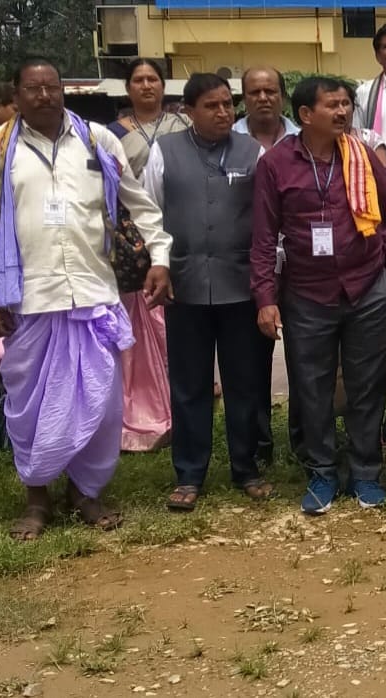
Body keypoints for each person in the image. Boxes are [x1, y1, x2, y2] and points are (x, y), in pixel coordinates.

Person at [0, 57, 172, 539]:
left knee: (100, 405)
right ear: (16, 95)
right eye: (33, 88)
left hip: (93, 294)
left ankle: (86, 492)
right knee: (30, 406)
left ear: (64, 90)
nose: (44, 95)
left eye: (52, 86)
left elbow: (140, 205)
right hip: (29, 300)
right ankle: (37, 497)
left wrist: (161, 257)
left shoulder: (97, 140)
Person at [252, 76, 386, 515]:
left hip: (367, 289)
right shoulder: (276, 164)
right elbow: (263, 237)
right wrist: (265, 297)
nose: (343, 112)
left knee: (366, 385)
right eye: (333, 105)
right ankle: (322, 472)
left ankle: (366, 473)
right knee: (312, 387)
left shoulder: (360, 155)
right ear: (306, 114)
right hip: (307, 294)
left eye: (346, 104)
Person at [141, 73, 274, 510]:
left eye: (227, 105)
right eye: (211, 106)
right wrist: (160, 264)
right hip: (185, 287)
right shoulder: (164, 152)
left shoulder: (253, 153)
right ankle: (189, 473)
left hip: (240, 287)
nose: (223, 113)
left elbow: (267, 219)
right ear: (188, 111)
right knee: (189, 384)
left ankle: (246, 467)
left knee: (245, 383)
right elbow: (149, 213)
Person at [109, 58, 185, 453]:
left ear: (163, 84)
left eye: (152, 78)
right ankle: (140, 401)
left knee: (175, 321)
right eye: (138, 80)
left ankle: (182, 391)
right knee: (138, 322)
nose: (146, 85)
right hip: (130, 239)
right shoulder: (111, 134)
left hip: (178, 228)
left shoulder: (182, 126)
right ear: (128, 88)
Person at [234, 67, 300, 149]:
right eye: (255, 92)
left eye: (270, 91)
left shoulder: (302, 141)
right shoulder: (228, 139)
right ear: (244, 99)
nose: (262, 98)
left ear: (283, 97)